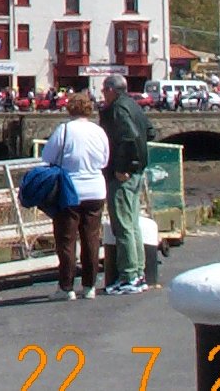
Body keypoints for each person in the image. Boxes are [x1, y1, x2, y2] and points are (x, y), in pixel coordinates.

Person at [33, 96, 114, 300]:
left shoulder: (65, 130)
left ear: (70, 109)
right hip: (96, 189)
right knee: (91, 239)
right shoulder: (99, 131)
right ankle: (89, 286)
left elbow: (47, 157)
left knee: (67, 240)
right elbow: (104, 160)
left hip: (70, 190)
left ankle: (66, 287)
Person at [95, 87, 161, 295]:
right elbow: (149, 132)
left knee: (122, 224)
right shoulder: (133, 105)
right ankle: (138, 273)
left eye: (104, 89)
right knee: (132, 224)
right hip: (138, 172)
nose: (103, 93)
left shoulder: (118, 109)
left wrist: (123, 167)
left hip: (124, 174)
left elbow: (129, 136)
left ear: (112, 90)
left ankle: (129, 276)